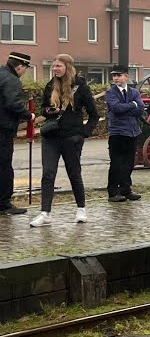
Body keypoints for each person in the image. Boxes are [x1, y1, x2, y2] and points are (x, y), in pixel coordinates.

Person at [29, 54, 99, 227]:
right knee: (48, 174)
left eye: (58, 66)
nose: (55, 69)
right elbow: (43, 110)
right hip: (51, 138)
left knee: (74, 174)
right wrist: (49, 111)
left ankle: (81, 209)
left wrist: (84, 133)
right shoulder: (50, 85)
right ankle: (45, 213)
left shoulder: (80, 86)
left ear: (68, 67)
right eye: (54, 66)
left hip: (72, 138)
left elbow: (94, 114)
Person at [0, 52, 34, 215]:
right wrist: (29, 115)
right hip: (3, 130)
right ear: (19, 67)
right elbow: (13, 103)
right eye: (25, 70)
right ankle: (4, 204)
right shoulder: (12, 80)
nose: (23, 73)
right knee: (4, 166)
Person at [104, 65, 144, 202]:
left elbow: (141, 109)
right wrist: (132, 105)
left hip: (132, 132)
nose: (115, 78)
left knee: (129, 163)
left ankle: (126, 190)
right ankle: (113, 192)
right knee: (116, 163)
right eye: (114, 75)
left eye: (118, 75)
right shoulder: (111, 93)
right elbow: (116, 109)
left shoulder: (134, 92)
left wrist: (128, 108)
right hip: (117, 132)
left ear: (126, 76)